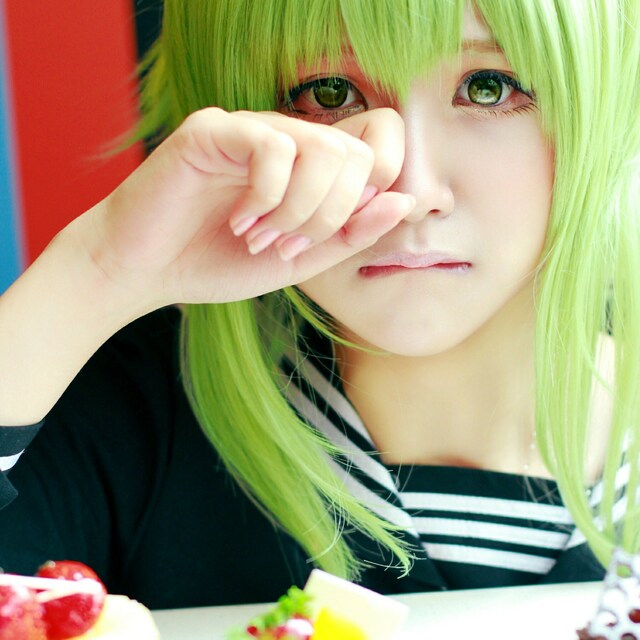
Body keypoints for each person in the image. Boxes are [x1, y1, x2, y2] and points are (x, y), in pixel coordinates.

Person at [0, 0, 638, 610]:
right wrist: (97, 272)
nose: (413, 191)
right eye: (329, 94)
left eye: (488, 87)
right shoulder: (114, 409)